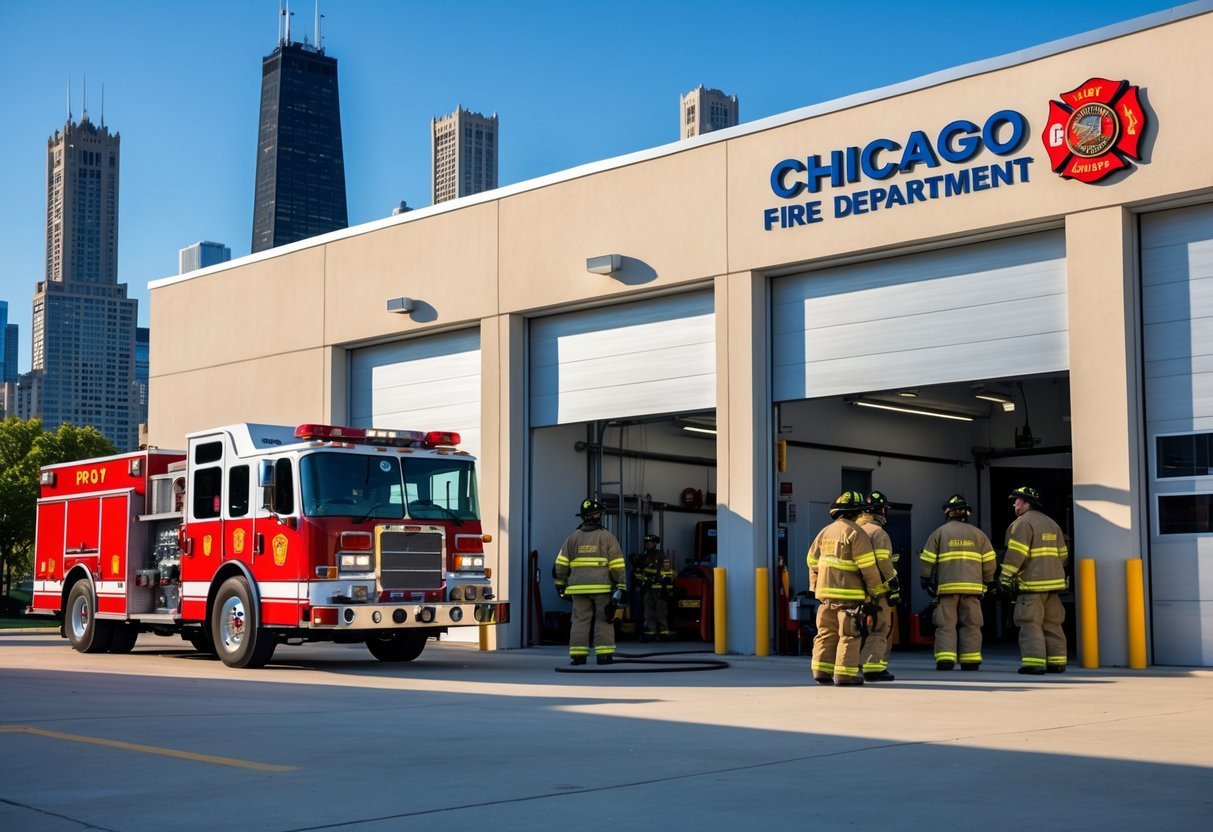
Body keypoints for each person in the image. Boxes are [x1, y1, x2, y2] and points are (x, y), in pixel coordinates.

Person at [807, 491, 886, 686]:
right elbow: (867, 566)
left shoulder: (824, 532)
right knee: (850, 633)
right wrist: (875, 591)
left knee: (826, 631)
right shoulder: (855, 533)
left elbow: (811, 561)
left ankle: (821, 671)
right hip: (849, 594)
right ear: (857, 512)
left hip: (825, 595)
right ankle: (845, 675)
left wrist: (815, 587)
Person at [920, 495, 996, 671]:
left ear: (948, 513)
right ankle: (970, 660)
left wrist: (925, 579)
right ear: (967, 513)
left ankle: (946, 659)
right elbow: (990, 562)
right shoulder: (979, 535)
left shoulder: (939, 533)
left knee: (946, 624)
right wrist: (989, 581)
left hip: (947, 588)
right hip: (972, 590)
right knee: (972, 624)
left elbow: (927, 559)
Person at [999, 486, 1070, 675]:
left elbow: (1016, 554)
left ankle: (1034, 663)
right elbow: (1063, 555)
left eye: (1016, 500)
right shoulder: (1052, 523)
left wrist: (1005, 578)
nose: (1014, 504)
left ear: (1024, 502)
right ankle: (1057, 662)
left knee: (1030, 623)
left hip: (1031, 585)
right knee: (1053, 623)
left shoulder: (1022, 524)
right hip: (1053, 585)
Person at [554, 498, 627, 665]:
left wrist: (560, 584)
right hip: (601, 587)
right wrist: (621, 585)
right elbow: (617, 564)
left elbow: (561, 564)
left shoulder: (572, 538)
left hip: (577, 588)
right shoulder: (607, 537)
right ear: (597, 516)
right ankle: (604, 655)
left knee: (580, 619)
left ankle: (578, 656)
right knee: (604, 618)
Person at [856, 491, 901, 681]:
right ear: (881, 511)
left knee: (854, 630)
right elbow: (883, 563)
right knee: (880, 627)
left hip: (855, 591)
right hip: (877, 591)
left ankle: (852, 665)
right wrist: (894, 586)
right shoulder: (878, 533)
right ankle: (873, 667)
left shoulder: (853, 530)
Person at [633, 534, 675, 642]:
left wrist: (665, 585)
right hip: (648, 589)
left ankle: (663, 633)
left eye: (650, 543)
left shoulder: (661, 555)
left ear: (655, 544)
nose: (648, 544)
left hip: (660, 589)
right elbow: (638, 573)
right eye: (646, 543)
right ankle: (650, 633)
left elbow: (667, 572)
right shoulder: (644, 556)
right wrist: (642, 579)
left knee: (661, 611)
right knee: (648, 612)